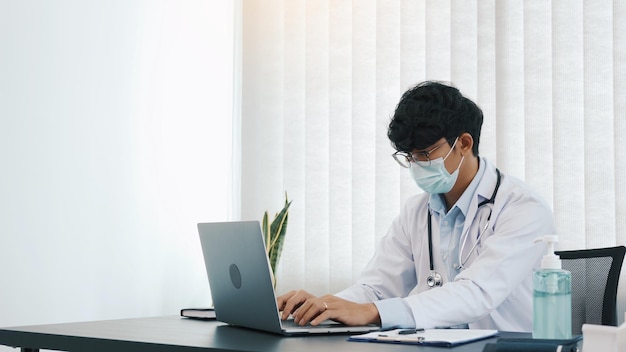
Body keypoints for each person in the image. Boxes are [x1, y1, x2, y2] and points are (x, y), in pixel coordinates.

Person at [276, 81, 556, 332]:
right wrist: (323, 307)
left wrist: (372, 313)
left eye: (425, 153)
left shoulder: (522, 208)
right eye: (409, 156)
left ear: (464, 143)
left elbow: (477, 292)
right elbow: (376, 288)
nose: (417, 164)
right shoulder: (417, 211)